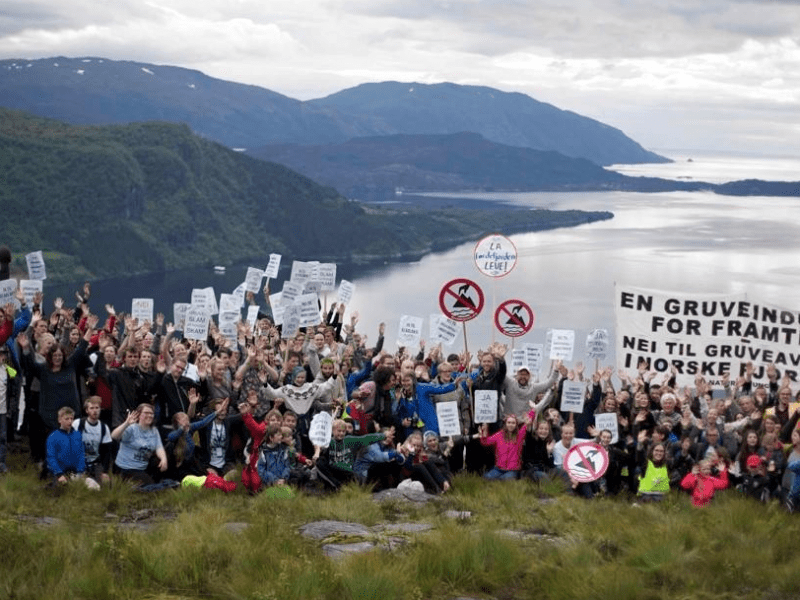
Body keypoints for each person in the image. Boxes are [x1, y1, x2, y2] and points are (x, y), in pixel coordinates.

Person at [112, 403, 168, 486]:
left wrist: (164, 459)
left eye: (151, 413)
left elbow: (159, 447)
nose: (149, 415)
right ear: (139, 415)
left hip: (143, 467)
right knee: (149, 487)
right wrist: (126, 423)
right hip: (126, 468)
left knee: (162, 460)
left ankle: (153, 480)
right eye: (146, 413)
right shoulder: (132, 428)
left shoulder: (154, 430)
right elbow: (114, 436)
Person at [46, 406, 92, 487]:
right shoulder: (53, 437)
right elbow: (51, 457)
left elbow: (81, 454)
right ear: (60, 420)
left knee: (93, 487)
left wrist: (81, 471)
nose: (70, 421)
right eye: (67, 419)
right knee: (61, 488)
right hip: (60, 472)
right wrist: (59, 474)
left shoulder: (77, 435)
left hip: (75, 472)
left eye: (71, 419)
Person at [72, 396, 112, 484]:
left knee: (106, 483)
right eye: (92, 408)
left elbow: (106, 452)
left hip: (95, 462)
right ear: (87, 410)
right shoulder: (78, 424)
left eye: (97, 408)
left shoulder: (104, 428)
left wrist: (104, 472)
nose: (95, 411)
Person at [480, 413, 529, 480]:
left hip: (513, 469)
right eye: (509, 422)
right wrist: (483, 434)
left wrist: (532, 409)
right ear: (505, 424)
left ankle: (512, 477)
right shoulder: (499, 434)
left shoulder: (519, 435)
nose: (510, 425)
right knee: (486, 477)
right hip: (499, 468)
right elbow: (486, 442)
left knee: (505, 479)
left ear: (516, 425)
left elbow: (529, 420)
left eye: (513, 423)